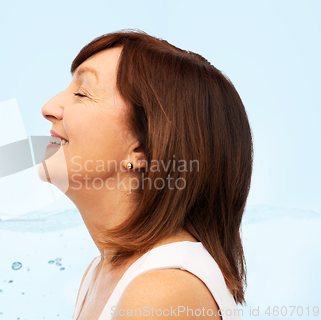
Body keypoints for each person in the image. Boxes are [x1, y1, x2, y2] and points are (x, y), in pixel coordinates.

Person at [39, 29, 252, 320]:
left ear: (141, 148)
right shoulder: (102, 273)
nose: (48, 108)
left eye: (81, 93)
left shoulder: (161, 291)